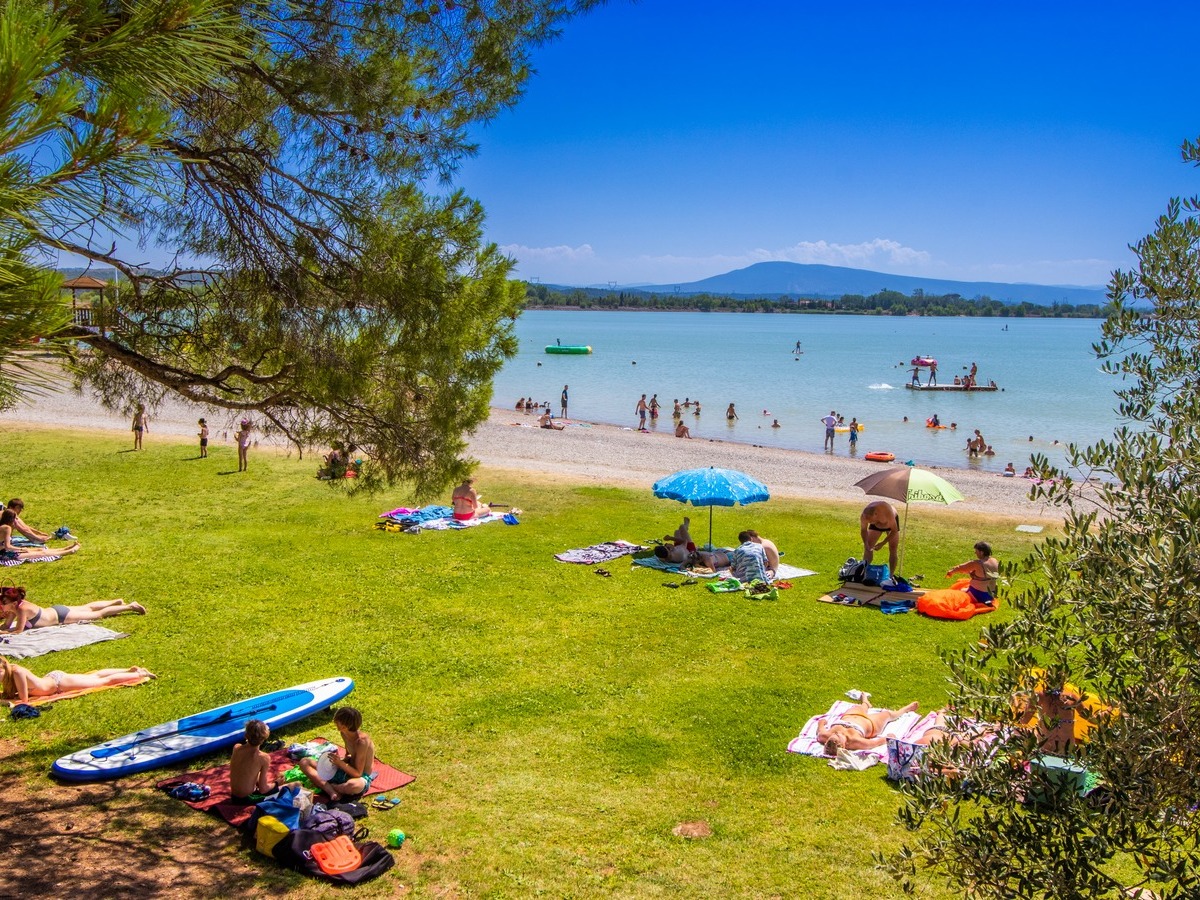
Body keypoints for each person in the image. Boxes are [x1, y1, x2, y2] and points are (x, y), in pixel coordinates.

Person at [299, 706, 377, 801]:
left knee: (354, 785)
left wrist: (340, 763)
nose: (335, 722)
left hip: (359, 776)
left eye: (337, 722)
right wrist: (338, 761)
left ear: (344, 726)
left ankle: (331, 787)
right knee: (304, 762)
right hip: (345, 769)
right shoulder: (344, 733)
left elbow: (358, 773)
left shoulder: (361, 742)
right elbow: (349, 755)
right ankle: (332, 790)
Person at [0, 658, 155, 704]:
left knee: (102, 682)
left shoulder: (17, 672)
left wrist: (4, 702)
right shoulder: (9, 674)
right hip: (55, 681)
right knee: (95, 677)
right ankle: (129, 670)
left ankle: (139, 673)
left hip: (59, 683)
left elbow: (24, 699)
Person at [1, 587, 145, 631]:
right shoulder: (15, 609)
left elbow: (18, 631)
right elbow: (7, 626)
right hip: (56, 610)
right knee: (87, 607)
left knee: (97, 614)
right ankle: (116, 601)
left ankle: (129, 606)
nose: (2, 605)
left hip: (61, 617)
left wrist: (5, 633)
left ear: (13, 603)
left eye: (4, 602)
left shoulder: (21, 610)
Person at [816, 695, 921, 755]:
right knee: (888, 715)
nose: (838, 732)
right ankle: (906, 709)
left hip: (850, 715)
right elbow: (874, 743)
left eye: (835, 733)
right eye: (838, 734)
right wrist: (888, 738)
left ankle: (866, 703)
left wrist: (822, 722)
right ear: (844, 745)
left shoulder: (824, 736)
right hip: (870, 723)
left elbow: (821, 725)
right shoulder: (856, 741)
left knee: (861, 707)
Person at [0, 510, 79, 561]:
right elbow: (8, 547)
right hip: (5, 555)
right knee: (41, 554)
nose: (17, 521)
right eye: (16, 518)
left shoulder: (4, 526)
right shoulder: (7, 528)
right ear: (11, 519)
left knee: (40, 549)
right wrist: (22, 549)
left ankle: (64, 548)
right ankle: (69, 551)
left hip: (6, 552)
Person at [230, 719, 276, 801]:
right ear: (264, 738)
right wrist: (277, 783)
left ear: (246, 735)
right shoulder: (264, 758)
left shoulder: (236, 748)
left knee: (256, 774)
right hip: (248, 798)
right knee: (293, 785)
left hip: (233, 796)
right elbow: (263, 789)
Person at [946, 541, 1000, 605]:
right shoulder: (994, 560)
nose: (975, 553)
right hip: (991, 595)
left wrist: (951, 571)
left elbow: (961, 567)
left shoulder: (977, 563)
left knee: (957, 592)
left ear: (981, 552)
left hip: (979, 595)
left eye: (976, 551)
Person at [860, 500, 900, 573]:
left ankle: (891, 575)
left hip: (890, 524)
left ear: (876, 514)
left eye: (871, 521)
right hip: (878, 523)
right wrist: (865, 543)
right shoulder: (864, 516)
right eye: (868, 522)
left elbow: (894, 531)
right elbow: (863, 530)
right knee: (868, 547)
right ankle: (864, 571)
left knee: (893, 548)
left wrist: (882, 543)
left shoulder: (888, 512)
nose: (869, 522)